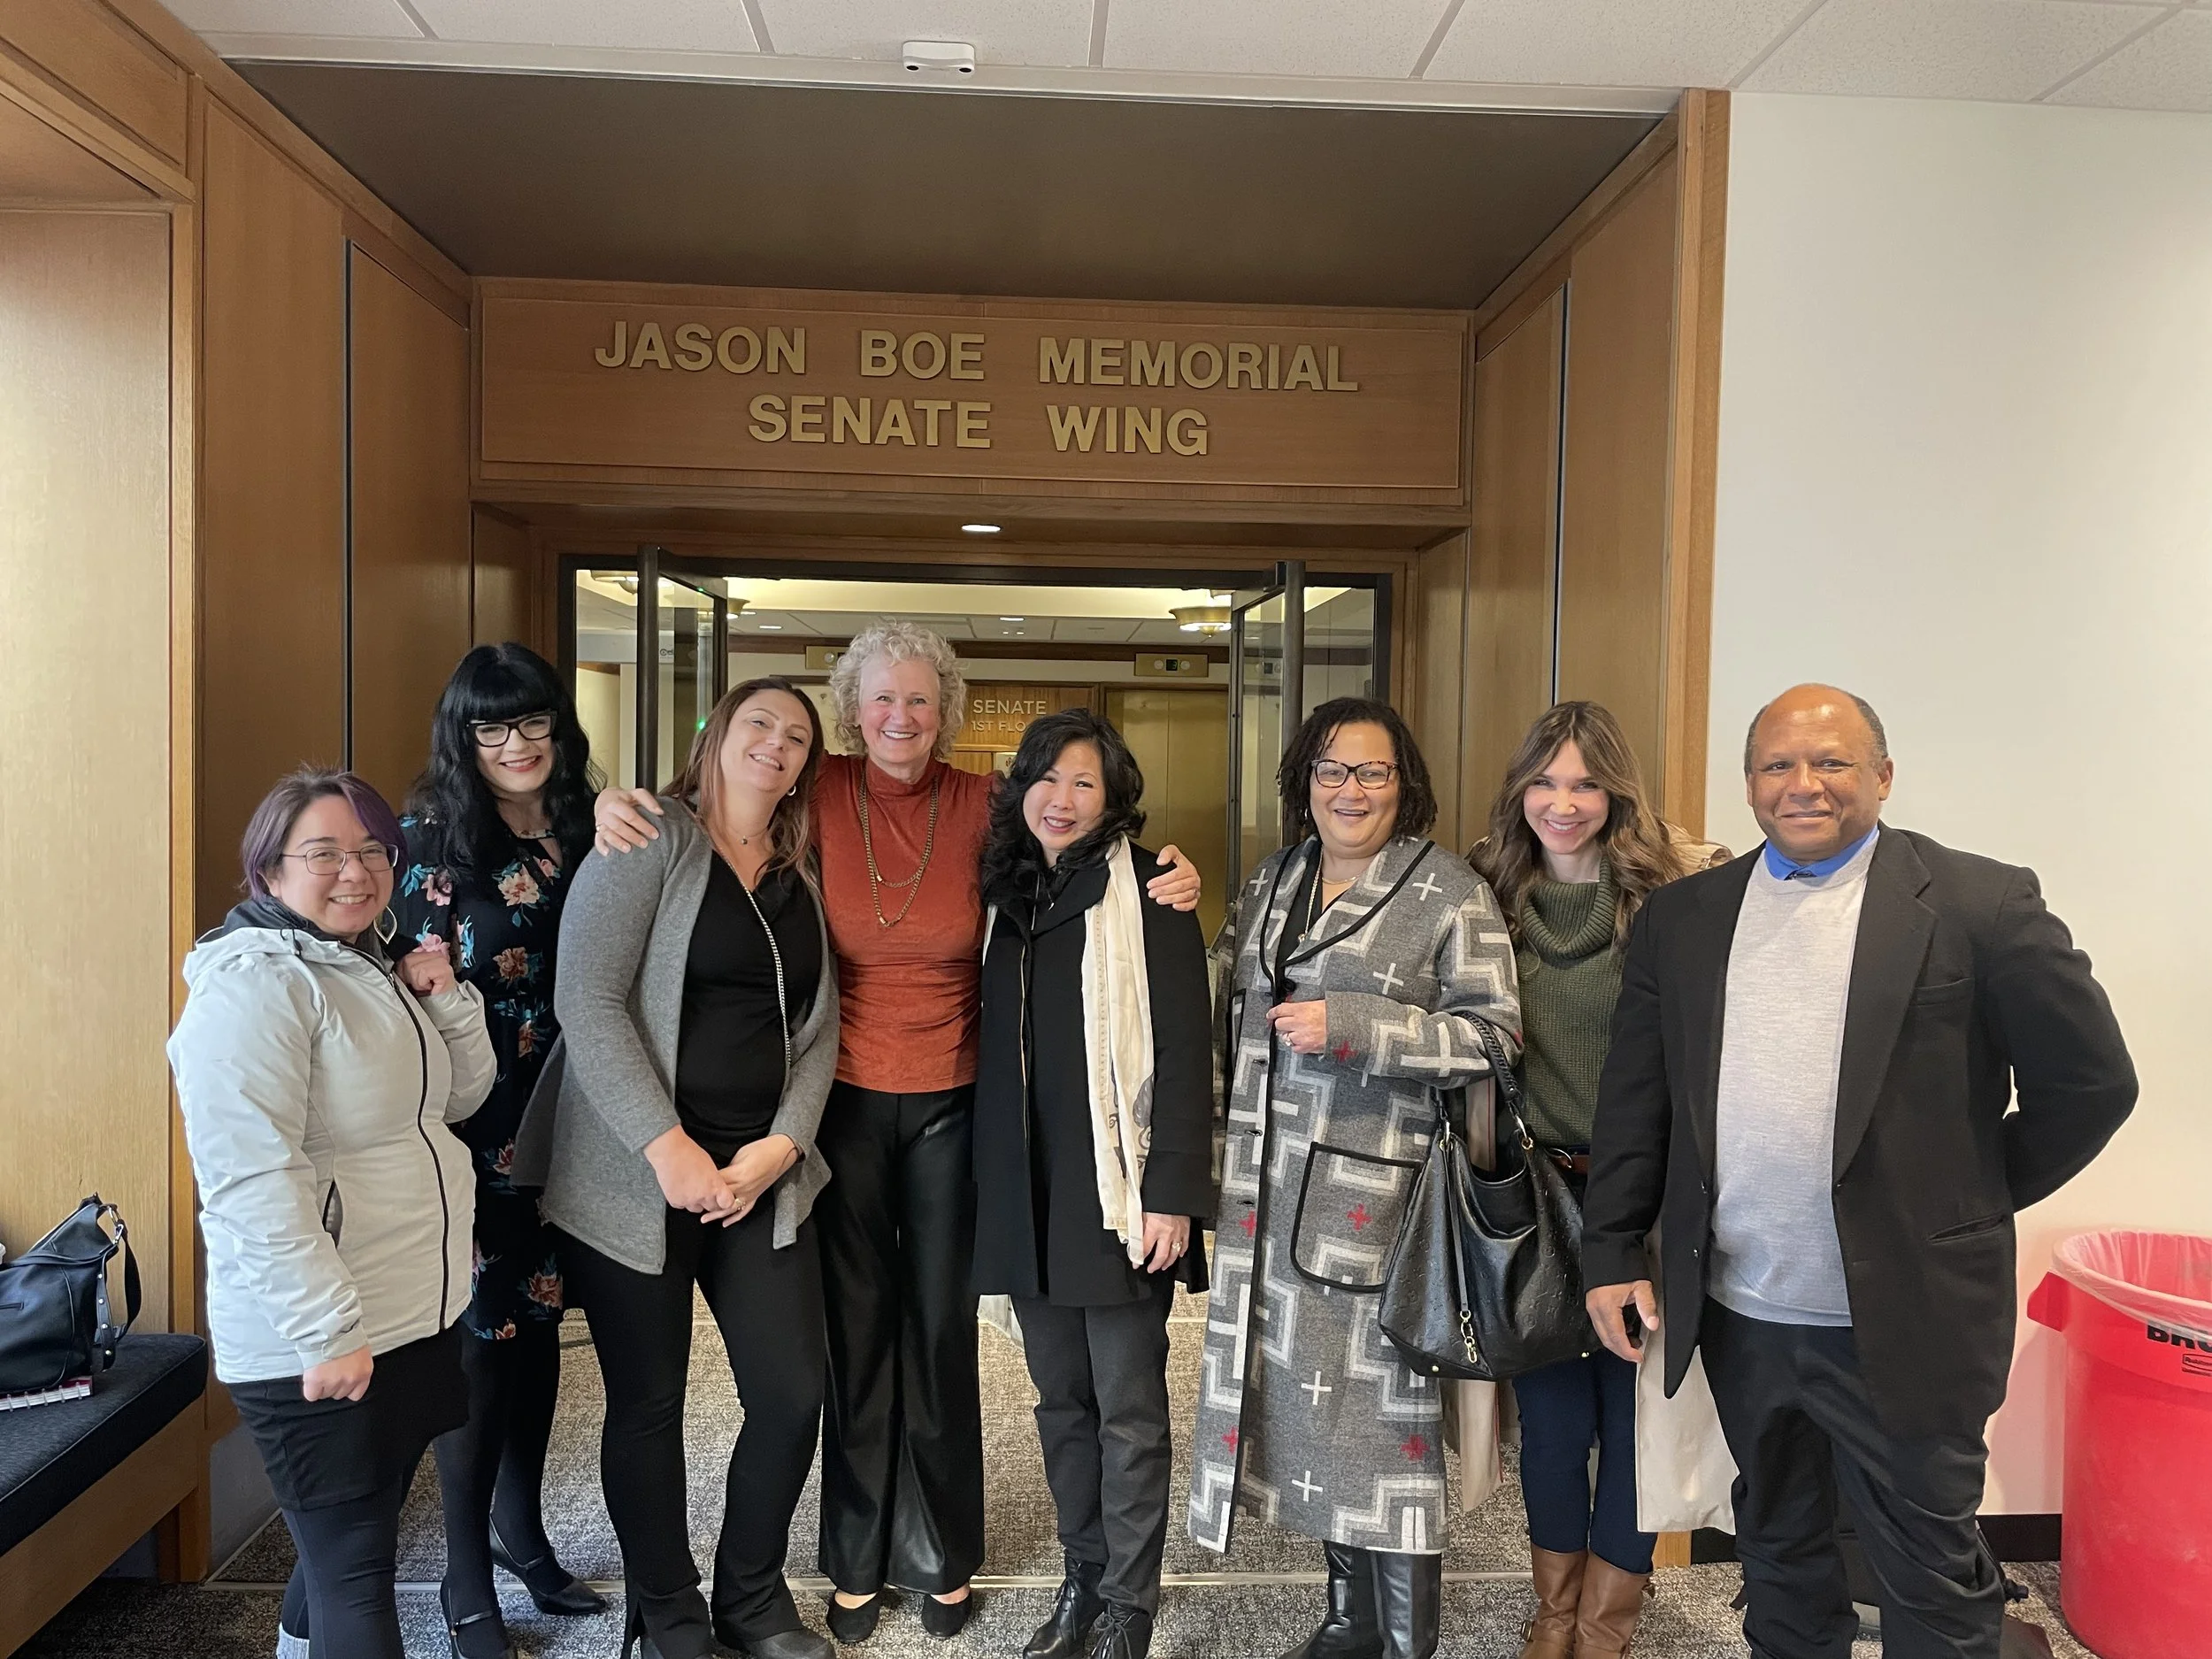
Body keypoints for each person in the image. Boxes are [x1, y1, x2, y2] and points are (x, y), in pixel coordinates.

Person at [593, 621, 1201, 1642]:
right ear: (850, 710)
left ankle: (944, 1554)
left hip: (959, 1105)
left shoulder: (988, 803)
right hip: (835, 1104)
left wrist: (1167, 873)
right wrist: (610, 803)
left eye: (919, 699)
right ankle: (857, 1554)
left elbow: (1082, 848)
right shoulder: (815, 787)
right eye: (880, 698)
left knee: (939, 1333)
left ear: (946, 712)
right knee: (852, 1338)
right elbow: (713, 796)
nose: (899, 717)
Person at [1582, 683, 2138, 1659]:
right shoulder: (1686, 917)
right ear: (1749, 784)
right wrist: (1612, 1248)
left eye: (1831, 762)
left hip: (1910, 1317)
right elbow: (1638, 1098)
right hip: (1744, 1315)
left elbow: (2092, 1085)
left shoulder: (1981, 905)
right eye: (1777, 764)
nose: (1802, 784)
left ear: (1882, 775)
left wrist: (1963, 1199)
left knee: (1929, 1577)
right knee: (1778, 1551)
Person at [1187, 696, 1520, 1659]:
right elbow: (1219, 998)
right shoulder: (1274, 878)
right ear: (1304, 783)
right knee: (1308, 1421)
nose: (1350, 790)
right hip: (1265, 1196)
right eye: (1331, 770)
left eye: (1372, 771)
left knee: (1384, 1429)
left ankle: (1406, 1639)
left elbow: (1496, 1039)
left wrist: (1359, 1026)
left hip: (1379, 1206)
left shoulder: (1447, 891)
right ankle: (1349, 1618)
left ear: (1403, 785)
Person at [517, 678, 841, 1659]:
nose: (776, 744)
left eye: (796, 736)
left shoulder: (799, 869)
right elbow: (587, 999)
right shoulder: (647, 837)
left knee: (791, 1394)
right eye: (758, 724)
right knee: (648, 1403)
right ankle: (667, 1610)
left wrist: (782, 1146)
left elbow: (820, 1029)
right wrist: (669, 1148)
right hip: (636, 1174)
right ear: (715, 736)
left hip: (758, 1179)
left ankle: (752, 1598)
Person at [169, 768, 497, 1659]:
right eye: (323, 853)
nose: (355, 872)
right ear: (269, 870)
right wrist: (325, 1329)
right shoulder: (253, 986)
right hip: (317, 1335)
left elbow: (455, 1099)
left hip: (404, 1311)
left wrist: (445, 997)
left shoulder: (365, 963)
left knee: (347, 1545)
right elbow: (249, 1180)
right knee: (356, 1574)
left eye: (371, 851)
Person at [1469, 701, 1728, 1659]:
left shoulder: (1675, 900)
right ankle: (1554, 1614)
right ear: (1519, 792)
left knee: (1634, 1421)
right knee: (1551, 1423)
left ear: (1617, 792)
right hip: (1534, 1202)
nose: (1563, 803)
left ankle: (1605, 1624)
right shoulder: (1484, 894)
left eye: (1585, 783)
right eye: (1544, 781)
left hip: (1644, 1203)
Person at [971, 711, 1215, 1659]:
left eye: (1084, 782)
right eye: (1046, 777)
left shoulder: (1152, 889)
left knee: (1128, 1410)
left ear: (1113, 799)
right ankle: (1081, 1576)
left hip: (1118, 1191)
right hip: (1025, 1189)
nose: (1061, 798)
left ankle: (1127, 1604)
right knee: (1059, 1402)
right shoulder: (1000, 890)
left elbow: (1187, 1051)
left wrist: (1173, 1193)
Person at [390, 643, 607, 1659]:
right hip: (474, 1123)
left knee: (539, 1326)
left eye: (532, 722)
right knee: (483, 1342)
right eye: (492, 727)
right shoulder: (429, 840)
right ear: (464, 736)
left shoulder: (585, 826)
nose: (515, 744)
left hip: (574, 1117)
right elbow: (406, 992)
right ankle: (463, 1573)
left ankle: (525, 1537)